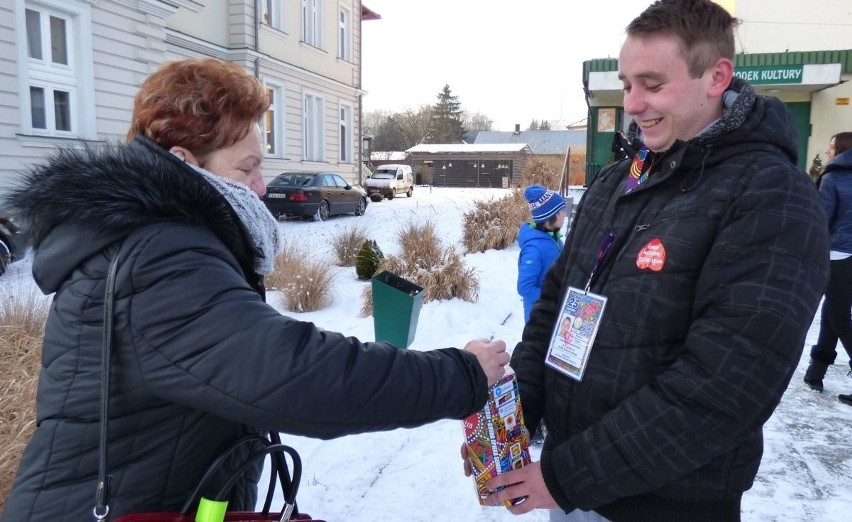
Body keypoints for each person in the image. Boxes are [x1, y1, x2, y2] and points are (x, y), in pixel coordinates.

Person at [0, 58, 509, 522]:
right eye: (247, 168)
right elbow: (296, 375)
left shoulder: (161, 238)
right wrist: (460, 374)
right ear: (186, 160)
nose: (262, 187)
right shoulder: (157, 257)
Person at [472, 1, 830, 520]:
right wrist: (519, 414)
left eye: (652, 84)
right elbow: (556, 304)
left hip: (668, 502)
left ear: (716, 77)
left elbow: (727, 384)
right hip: (573, 487)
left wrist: (567, 476)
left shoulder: (772, 196)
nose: (633, 103)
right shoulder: (617, 182)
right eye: (626, 83)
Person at [804, 132, 852, 402]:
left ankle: (816, 372)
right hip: (850, 255)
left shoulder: (833, 178)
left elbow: (821, 221)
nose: (828, 150)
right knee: (833, 311)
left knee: (840, 318)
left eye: (832, 146)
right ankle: (816, 372)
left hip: (837, 255)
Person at [517, 184, 567, 323]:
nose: (564, 214)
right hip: (539, 317)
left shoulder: (554, 240)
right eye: (561, 210)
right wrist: (553, 298)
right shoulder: (534, 249)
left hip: (553, 313)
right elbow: (525, 287)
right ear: (550, 216)